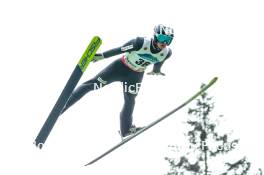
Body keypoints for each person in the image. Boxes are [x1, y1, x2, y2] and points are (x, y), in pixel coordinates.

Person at [61, 24, 174, 138]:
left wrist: (156, 71)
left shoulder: (166, 53)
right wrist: (102, 56)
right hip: (119, 68)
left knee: (130, 101)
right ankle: (63, 105)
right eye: (162, 38)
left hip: (135, 76)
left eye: (168, 40)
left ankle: (126, 130)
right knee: (93, 85)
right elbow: (120, 50)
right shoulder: (140, 43)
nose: (164, 42)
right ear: (155, 36)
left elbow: (158, 63)